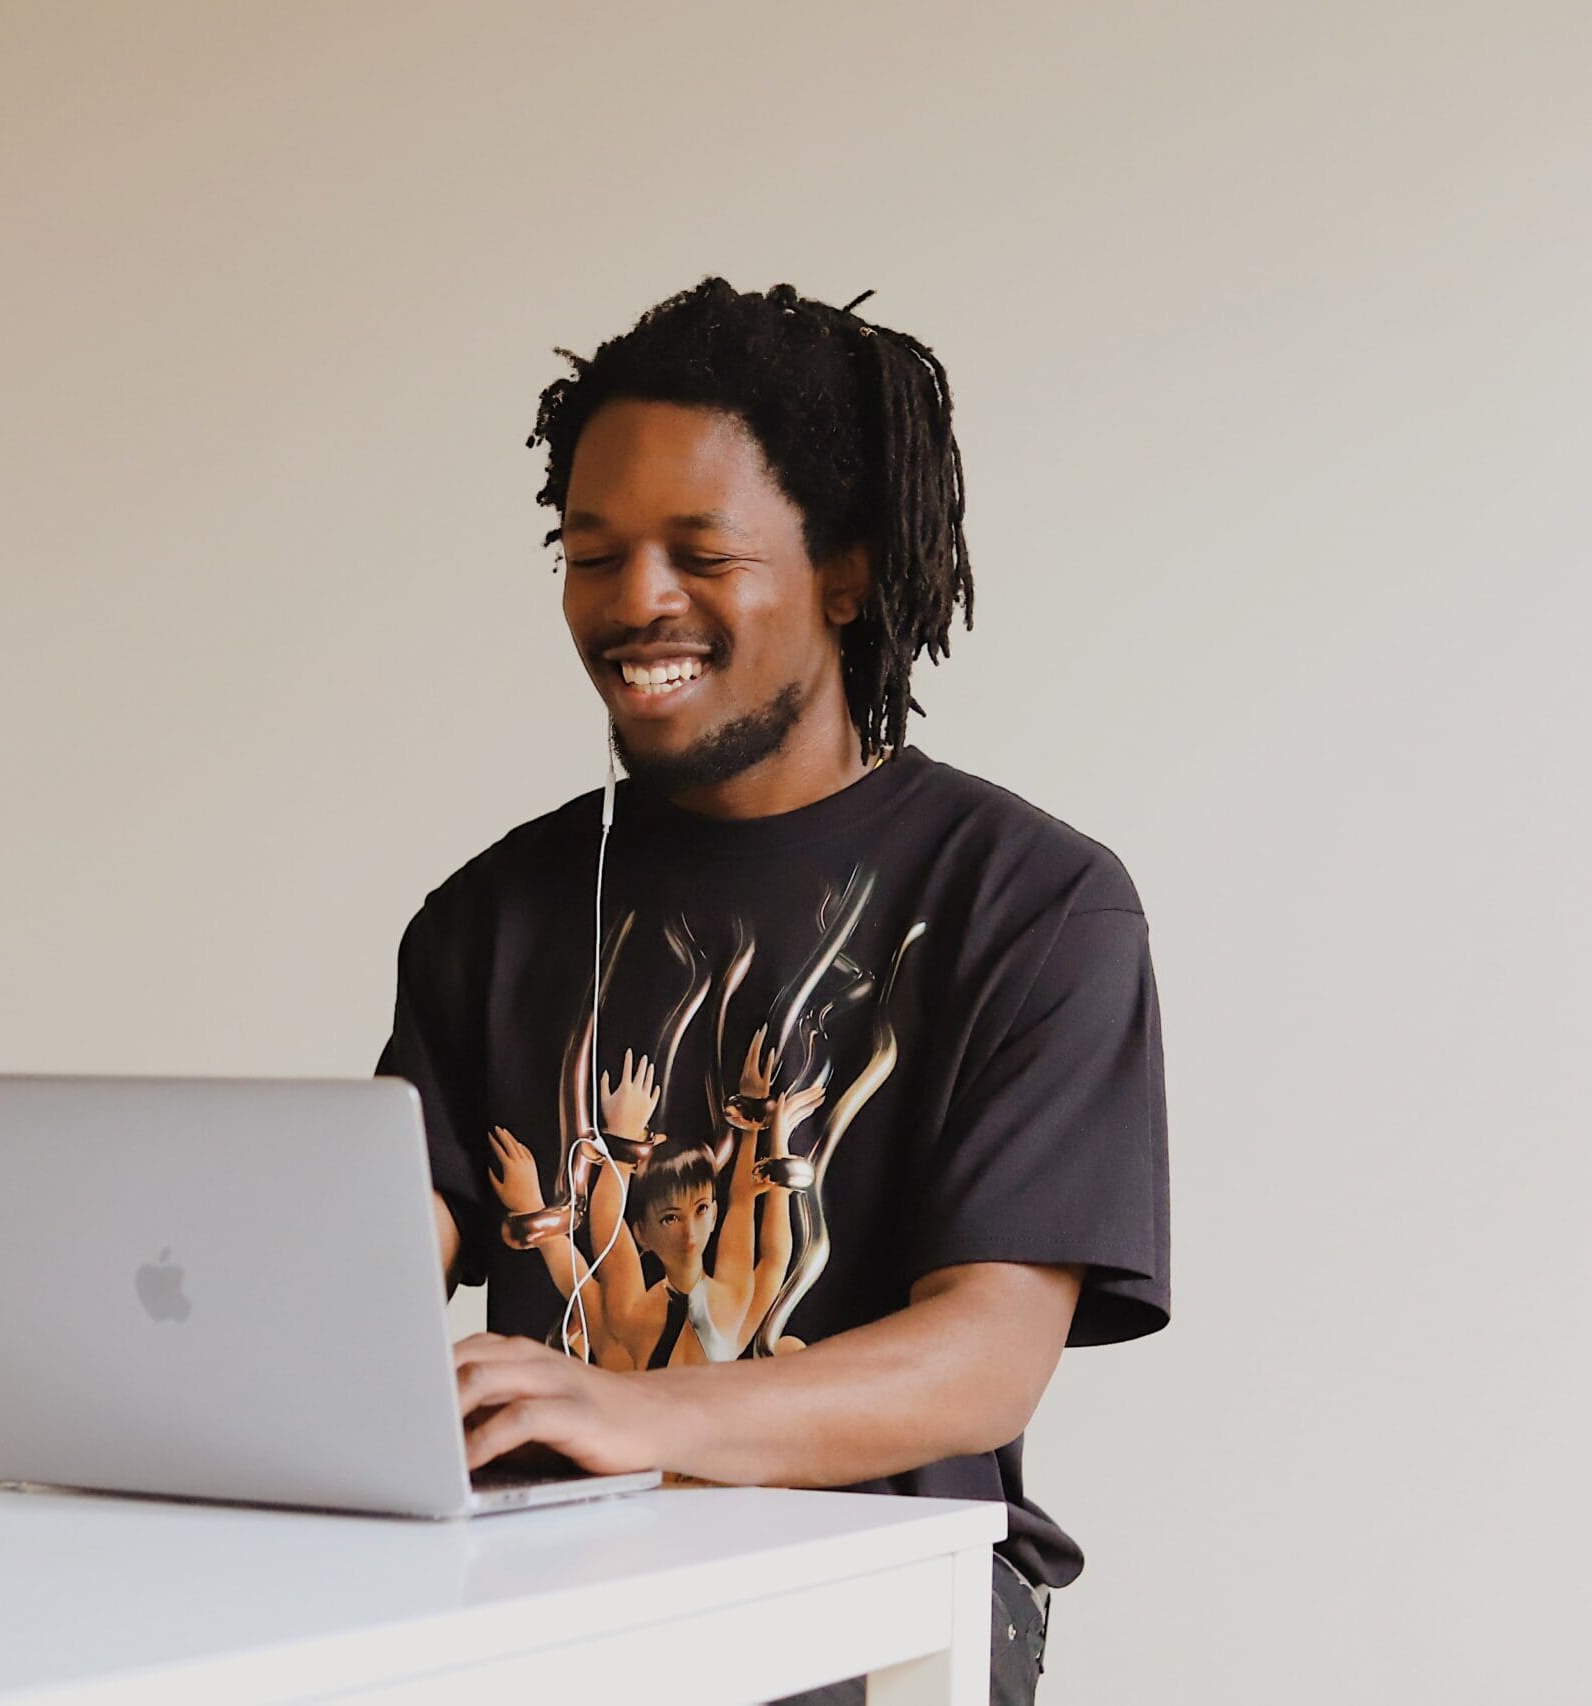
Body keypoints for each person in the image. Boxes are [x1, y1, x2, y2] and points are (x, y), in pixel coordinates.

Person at [375, 277, 1171, 1705]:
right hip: (537, 1606)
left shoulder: (1032, 903)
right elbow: (385, 1244)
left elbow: (983, 1357)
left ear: (845, 571)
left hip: (865, 1613)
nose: (634, 603)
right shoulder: (488, 916)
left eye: (700, 550)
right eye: (592, 550)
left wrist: (631, 1409)